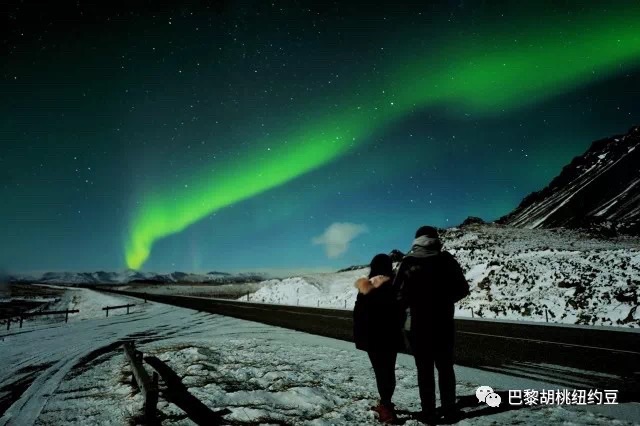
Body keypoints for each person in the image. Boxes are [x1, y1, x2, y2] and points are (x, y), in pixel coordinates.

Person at [393, 226, 470, 424]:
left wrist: (409, 306)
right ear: (436, 240)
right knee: (445, 368)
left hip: (417, 324)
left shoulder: (408, 262)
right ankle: (450, 410)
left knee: (424, 369)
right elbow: (463, 289)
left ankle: (428, 412)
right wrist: (444, 300)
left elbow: (397, 295)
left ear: (416, 240)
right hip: (443, 322)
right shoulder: (446, 260)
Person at [353, 253, 404, 424]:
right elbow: (401, 312)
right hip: (391, 336)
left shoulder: (367, 286)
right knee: (388, 370)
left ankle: (386, 408)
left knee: (380, 372)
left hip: (372, 337)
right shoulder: (395, 285)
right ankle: (386, 403)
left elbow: (358, 314)